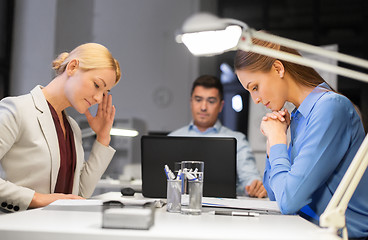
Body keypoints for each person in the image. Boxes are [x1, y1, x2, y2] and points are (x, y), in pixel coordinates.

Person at [234, 38, 368, 239]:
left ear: (278, 68)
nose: (256, 99)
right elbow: (275, 195)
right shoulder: (299, 116)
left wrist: (278, 139)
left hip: (342, 235)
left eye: (255, 87)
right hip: (310, 229)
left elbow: (289, 201)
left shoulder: (330, 108)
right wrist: (273, 142)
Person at [0, 43, 121, 212]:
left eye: (104, 92)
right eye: (96, 85)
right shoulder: (17, 109)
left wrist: (102, 138)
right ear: (72, 67)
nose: (99, 99)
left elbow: (80, 194)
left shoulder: (72, 128)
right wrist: (37, 198)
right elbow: (48, 200)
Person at [169, 75, 267, 198]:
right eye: (198, 100)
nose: (203, 107)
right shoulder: (173, 138)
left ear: (220, 106)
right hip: (179, 207)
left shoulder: (238, 140)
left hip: (222, 211)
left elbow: (249, 177)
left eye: (211, 101)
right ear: (191, 102)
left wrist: (254, 186)